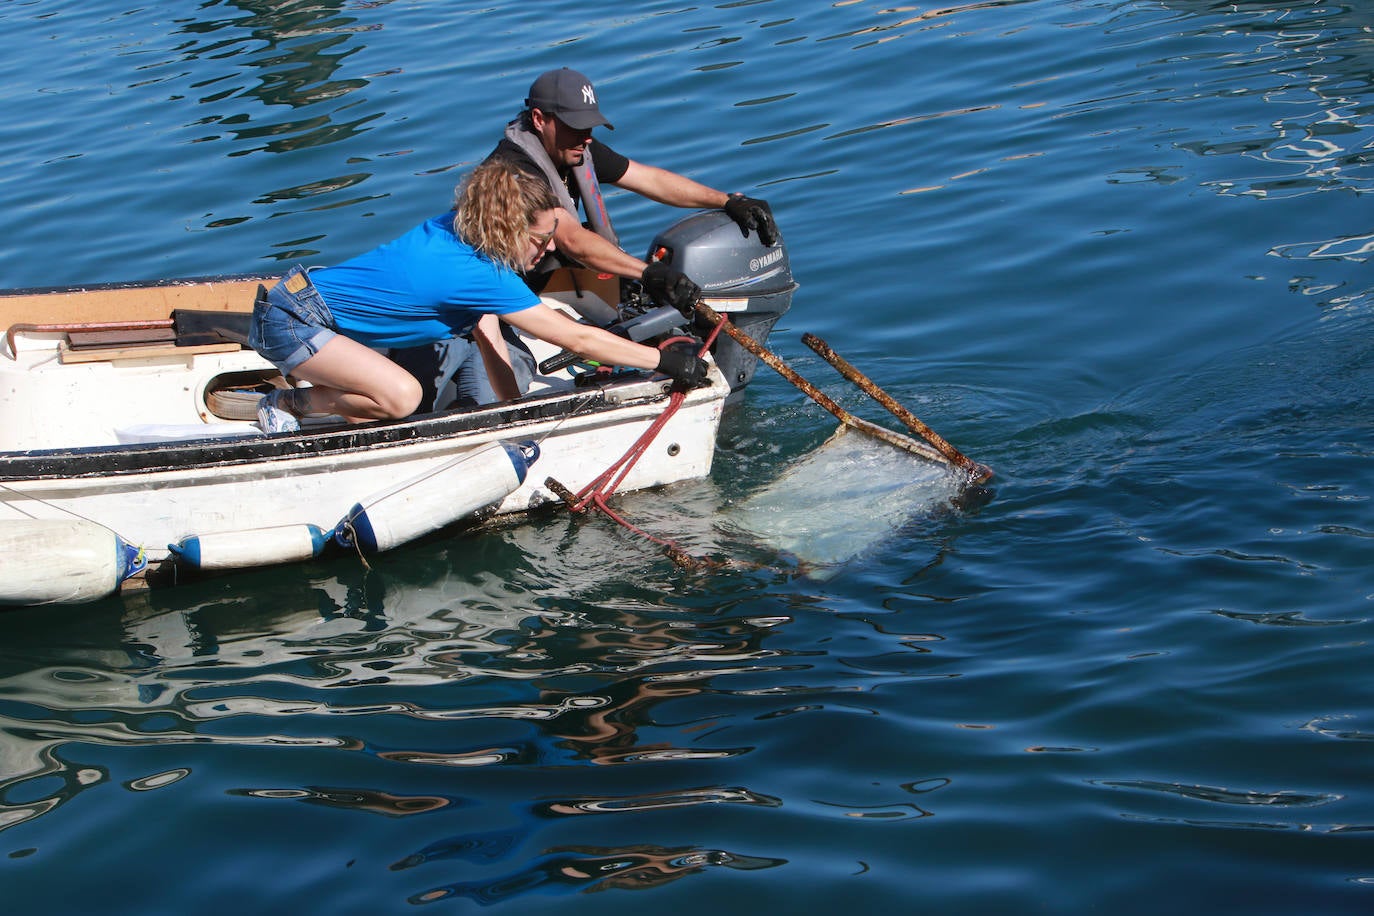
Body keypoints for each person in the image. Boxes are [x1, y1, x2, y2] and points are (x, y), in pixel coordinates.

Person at [395, 66, 778, 412]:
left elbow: (648, 179)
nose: (585, 136)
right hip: (496, 298)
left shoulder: (579, 150)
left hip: (552, 284)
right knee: (505, 378)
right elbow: (572, 240)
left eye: (589, 126)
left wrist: (728, 200)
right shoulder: (513, 174)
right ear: (539, 119)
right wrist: (649, 273)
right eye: (574, 126)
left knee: (653, 319)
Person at [249, 158, 710, 434]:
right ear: (508, 227)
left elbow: (487, 334)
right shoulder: (478, 273)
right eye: (542, 238)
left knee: (396, 398)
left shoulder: (461, 231)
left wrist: (513, 415)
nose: (550, 248)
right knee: (403, 398)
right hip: (292, 319)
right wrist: (664, 363)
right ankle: (288, 404)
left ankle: (315, 395)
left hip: (302, 299)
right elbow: (578, 339)